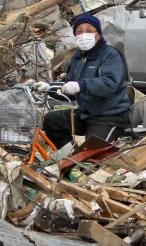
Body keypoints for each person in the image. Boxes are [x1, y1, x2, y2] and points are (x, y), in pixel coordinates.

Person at [39, 12, 131, 149]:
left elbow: (109, 84)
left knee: (90, 153)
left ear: (98, 33)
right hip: (85, 114)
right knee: (51, 121)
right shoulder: (78, 57)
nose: (83, 35)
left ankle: (82, 162)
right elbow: (70, 90)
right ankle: (70, 155)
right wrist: (49, 88)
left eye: (89, 30)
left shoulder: (110, 55)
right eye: (79, 31)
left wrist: (80, 86)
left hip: (109, 117)